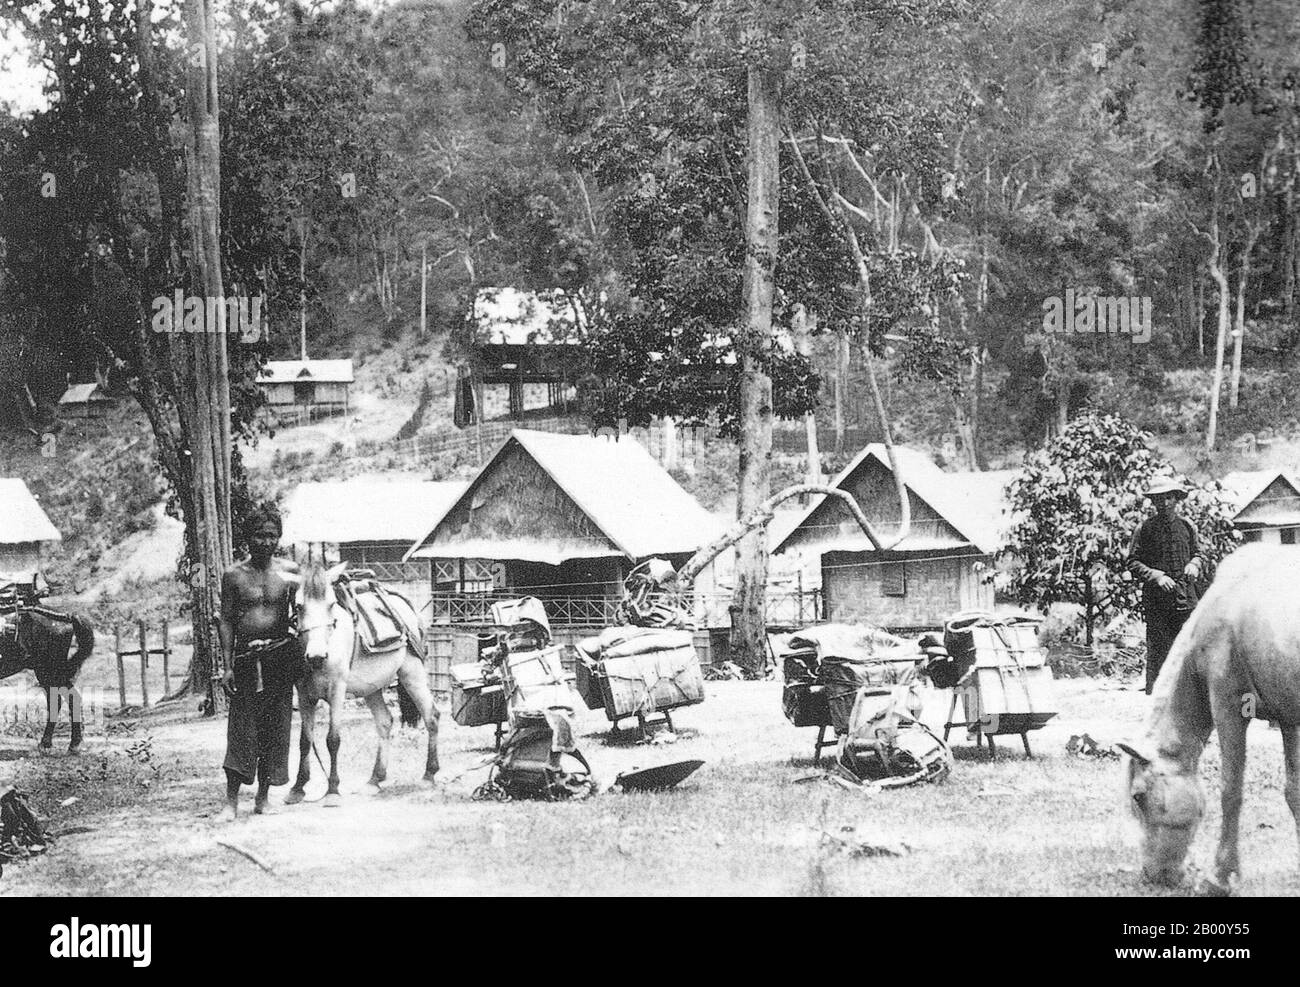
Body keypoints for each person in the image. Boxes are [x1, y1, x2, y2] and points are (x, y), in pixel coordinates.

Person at [217, 504, 304, 821]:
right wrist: (226, 665)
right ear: (247, 538)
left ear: (279, 537)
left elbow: (305, 611)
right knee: (242, 730)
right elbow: (226, 620)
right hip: (246, 660)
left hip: (280, 658)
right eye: (259, 536)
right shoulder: (234, 575)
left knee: (276, 729)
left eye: (272, 536)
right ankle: (230, 802)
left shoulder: (290, 572)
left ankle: (263, 798)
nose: (266, 542)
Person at [1127, 477, 1203, 695]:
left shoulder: (1187, 526)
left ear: (1176, 499)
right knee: (1160, 649)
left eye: (1168, 498)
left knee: (1190, 646)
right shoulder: (1145, 529)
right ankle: (1158, 700)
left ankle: (1192, 698)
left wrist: (1194, 564)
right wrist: (1156, 576)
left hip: (1186, 598)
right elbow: (1132, 561)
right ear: (1154, 503)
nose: (1164, 503)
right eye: (1159, 500)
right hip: (1158, 602)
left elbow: (1198, 554)